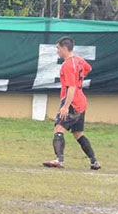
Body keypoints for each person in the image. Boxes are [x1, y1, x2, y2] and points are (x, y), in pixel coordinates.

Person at [42, 36, 100, 170]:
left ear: (64, 48)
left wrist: (66, 107)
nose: (57, 51)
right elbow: (88, 68)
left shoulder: (67, 65)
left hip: (72, 102)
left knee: (58, 129)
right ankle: (94, 161)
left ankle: (59, 160)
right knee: (78, 134)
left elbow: (72, 87)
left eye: (58, 48)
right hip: (81, 101)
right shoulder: (79, 60)